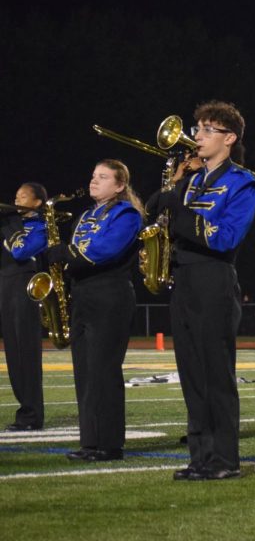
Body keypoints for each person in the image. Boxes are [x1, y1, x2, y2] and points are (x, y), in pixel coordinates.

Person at [149, 100, 255, 481]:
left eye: (206, 129)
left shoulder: (243, 182)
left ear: (229, 138)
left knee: (216, 375)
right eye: (197, 128)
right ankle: (199, 456)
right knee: (192, 374)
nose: (196, 135)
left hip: (214, 278)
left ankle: (224, 459)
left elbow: (225, 236)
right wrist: (173, 188)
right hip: (183, 280)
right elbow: (156, 213)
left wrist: (177, 209)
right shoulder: (192, 180)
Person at [36, 161, 143, 461]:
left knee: (104, 369)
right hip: (82, 293)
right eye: (93, 176)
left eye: (103, 177)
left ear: (120, 185)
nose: (94, 181)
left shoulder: (126, 214)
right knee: (85, 372)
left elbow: (105, 250)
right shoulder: (85, 215)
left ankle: (110, 444)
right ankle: (90, 441)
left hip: (110, 293)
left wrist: (65, 254)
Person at [1, 183, 48, 431]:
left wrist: (11, 225)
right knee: (13, 354)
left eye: (23, 196)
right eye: (15, 195)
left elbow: (22, 252)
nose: (16, 199)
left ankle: (32, 415)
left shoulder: (40, 226)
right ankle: (25, 411)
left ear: (37, 203)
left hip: (25, 288)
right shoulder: (8, 225)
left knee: (26, 353)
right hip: (5, 288)